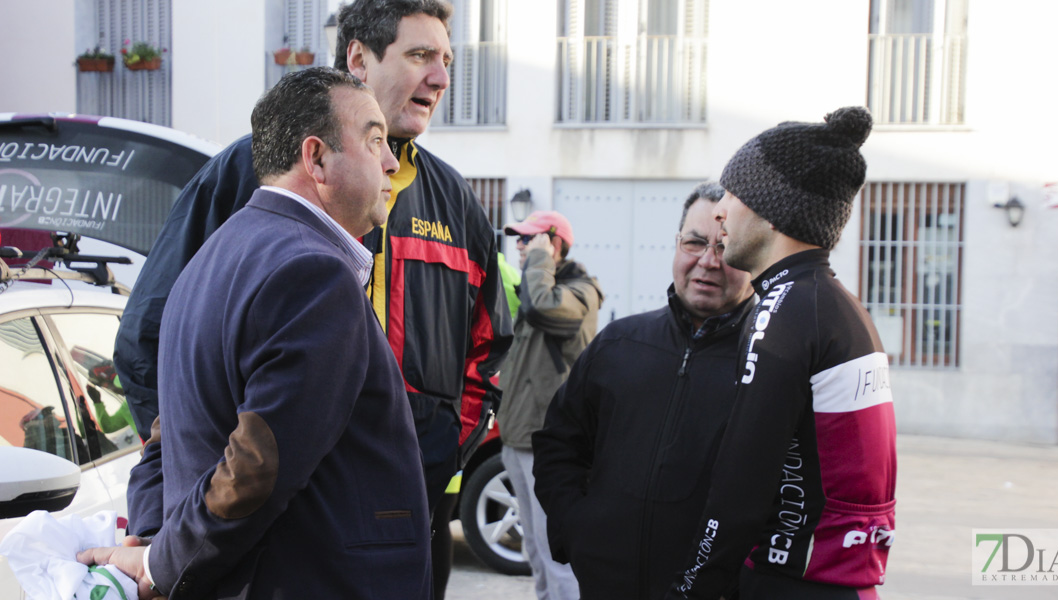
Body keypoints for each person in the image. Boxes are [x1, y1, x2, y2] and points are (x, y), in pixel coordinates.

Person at [116, 0, 512, 540]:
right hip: (269, 522)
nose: (441, 78)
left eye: (447, 59)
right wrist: (184, 492)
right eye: (420, 55)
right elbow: (150, 335)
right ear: (359, 58)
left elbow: (488, 348)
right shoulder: (251, 171)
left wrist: (435, 457)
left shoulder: (455, 199)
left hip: (410, 512)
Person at [79, 67, 431, 599]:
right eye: (375, 139)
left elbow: (164, 438)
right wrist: (159, 563)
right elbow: (257, 467)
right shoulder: (313, 272)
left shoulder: (207, 262)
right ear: (316, 158)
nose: (390, 160)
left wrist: (155, 545)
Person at [664, 107, 897, 600]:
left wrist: (693, 585)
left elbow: (740, 483)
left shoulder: (787, 311)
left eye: (733, 194)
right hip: (834, 579)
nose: (720, 210)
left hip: (796, 582)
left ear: (772, 209)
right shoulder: (831, 303)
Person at [531, 183, 754, 600]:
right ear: (676, 244)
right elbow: (557, 446)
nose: (708, 261)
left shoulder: (769, 365)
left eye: (725, 247)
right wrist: (576, 531)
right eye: (694, 242)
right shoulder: (619, 344)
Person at [499, 210, 602, 600]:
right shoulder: (534, 285)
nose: (521, 247)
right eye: (520, 240)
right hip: (519, 439)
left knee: (557, 558)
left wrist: (540, 261)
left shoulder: (580, 291)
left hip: (548, 447)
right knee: (536, 554)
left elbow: (545, 308)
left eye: (530, 239)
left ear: (554, 243)